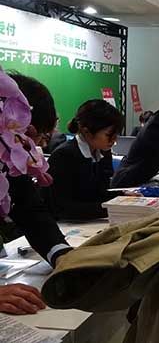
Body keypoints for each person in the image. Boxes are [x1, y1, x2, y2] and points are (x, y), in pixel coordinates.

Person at [2, 72, 72, 314]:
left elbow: (29, 208)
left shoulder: (10, 154)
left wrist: (62, 254)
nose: (35, 147)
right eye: (34, 136)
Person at [46, 99, 124, 220]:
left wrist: (122, 196)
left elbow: (97, 194)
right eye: (109, 135)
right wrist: (110, 209)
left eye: (116, 134)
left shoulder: (103, 152)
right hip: (64, 223)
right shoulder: (64, 156)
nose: (114, 140)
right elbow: (63, 207)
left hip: (88, 220)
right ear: (87, 132)